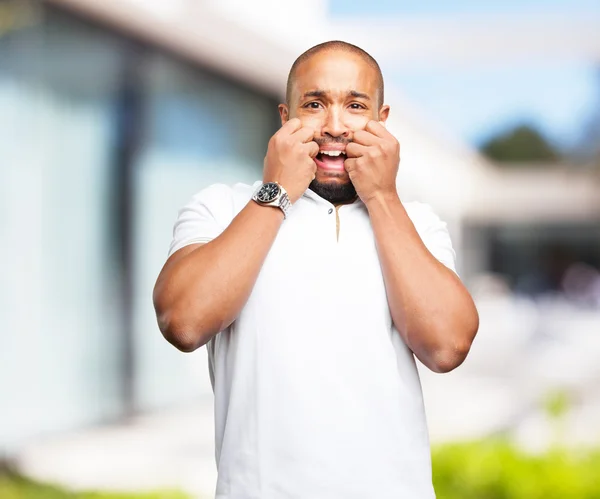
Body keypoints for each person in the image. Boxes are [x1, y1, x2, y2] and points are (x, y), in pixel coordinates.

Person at [153, 40, 479, 499]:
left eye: (355, 106)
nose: (334, 125)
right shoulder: (222, 207)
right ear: (285, 118)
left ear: (382, 121)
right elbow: (183, 322)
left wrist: (383, 197)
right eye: (314, 104)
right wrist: (276, 191)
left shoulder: (419, 224)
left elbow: (446, 347)